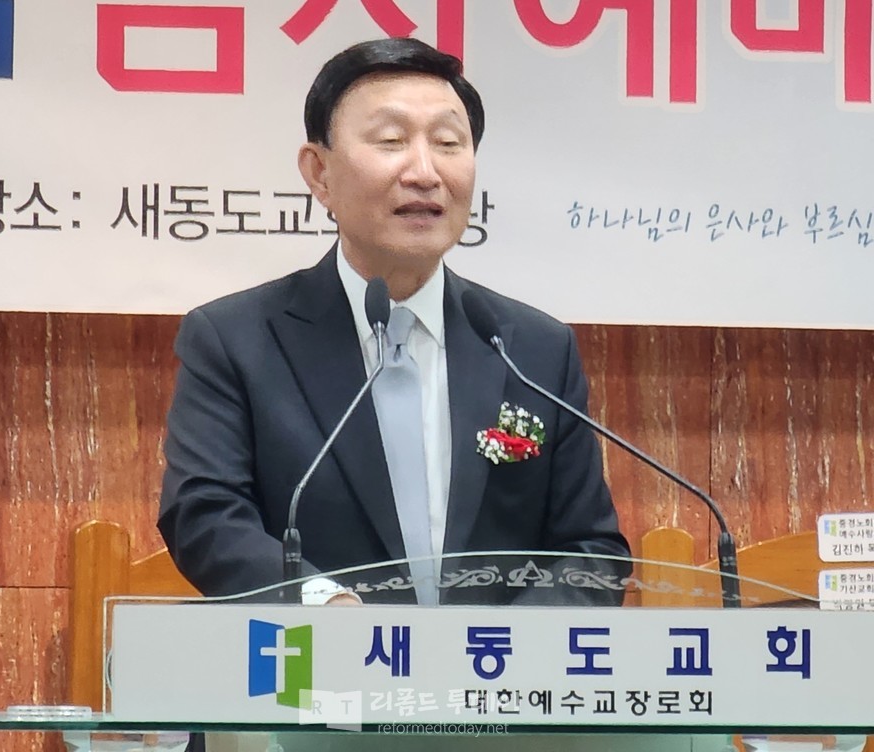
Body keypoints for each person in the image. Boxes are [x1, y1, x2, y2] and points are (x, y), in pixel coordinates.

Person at [158, 37, 630, 608]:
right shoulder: (236, 339)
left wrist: (501, 644)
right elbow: (205, 515)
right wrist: (323, 605)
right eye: (391, 141)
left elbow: (590, 550)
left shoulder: (533, 348)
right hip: (318, 657)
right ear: (319, 173)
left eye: (449, 143)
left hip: (492, 663)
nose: (425, 172)